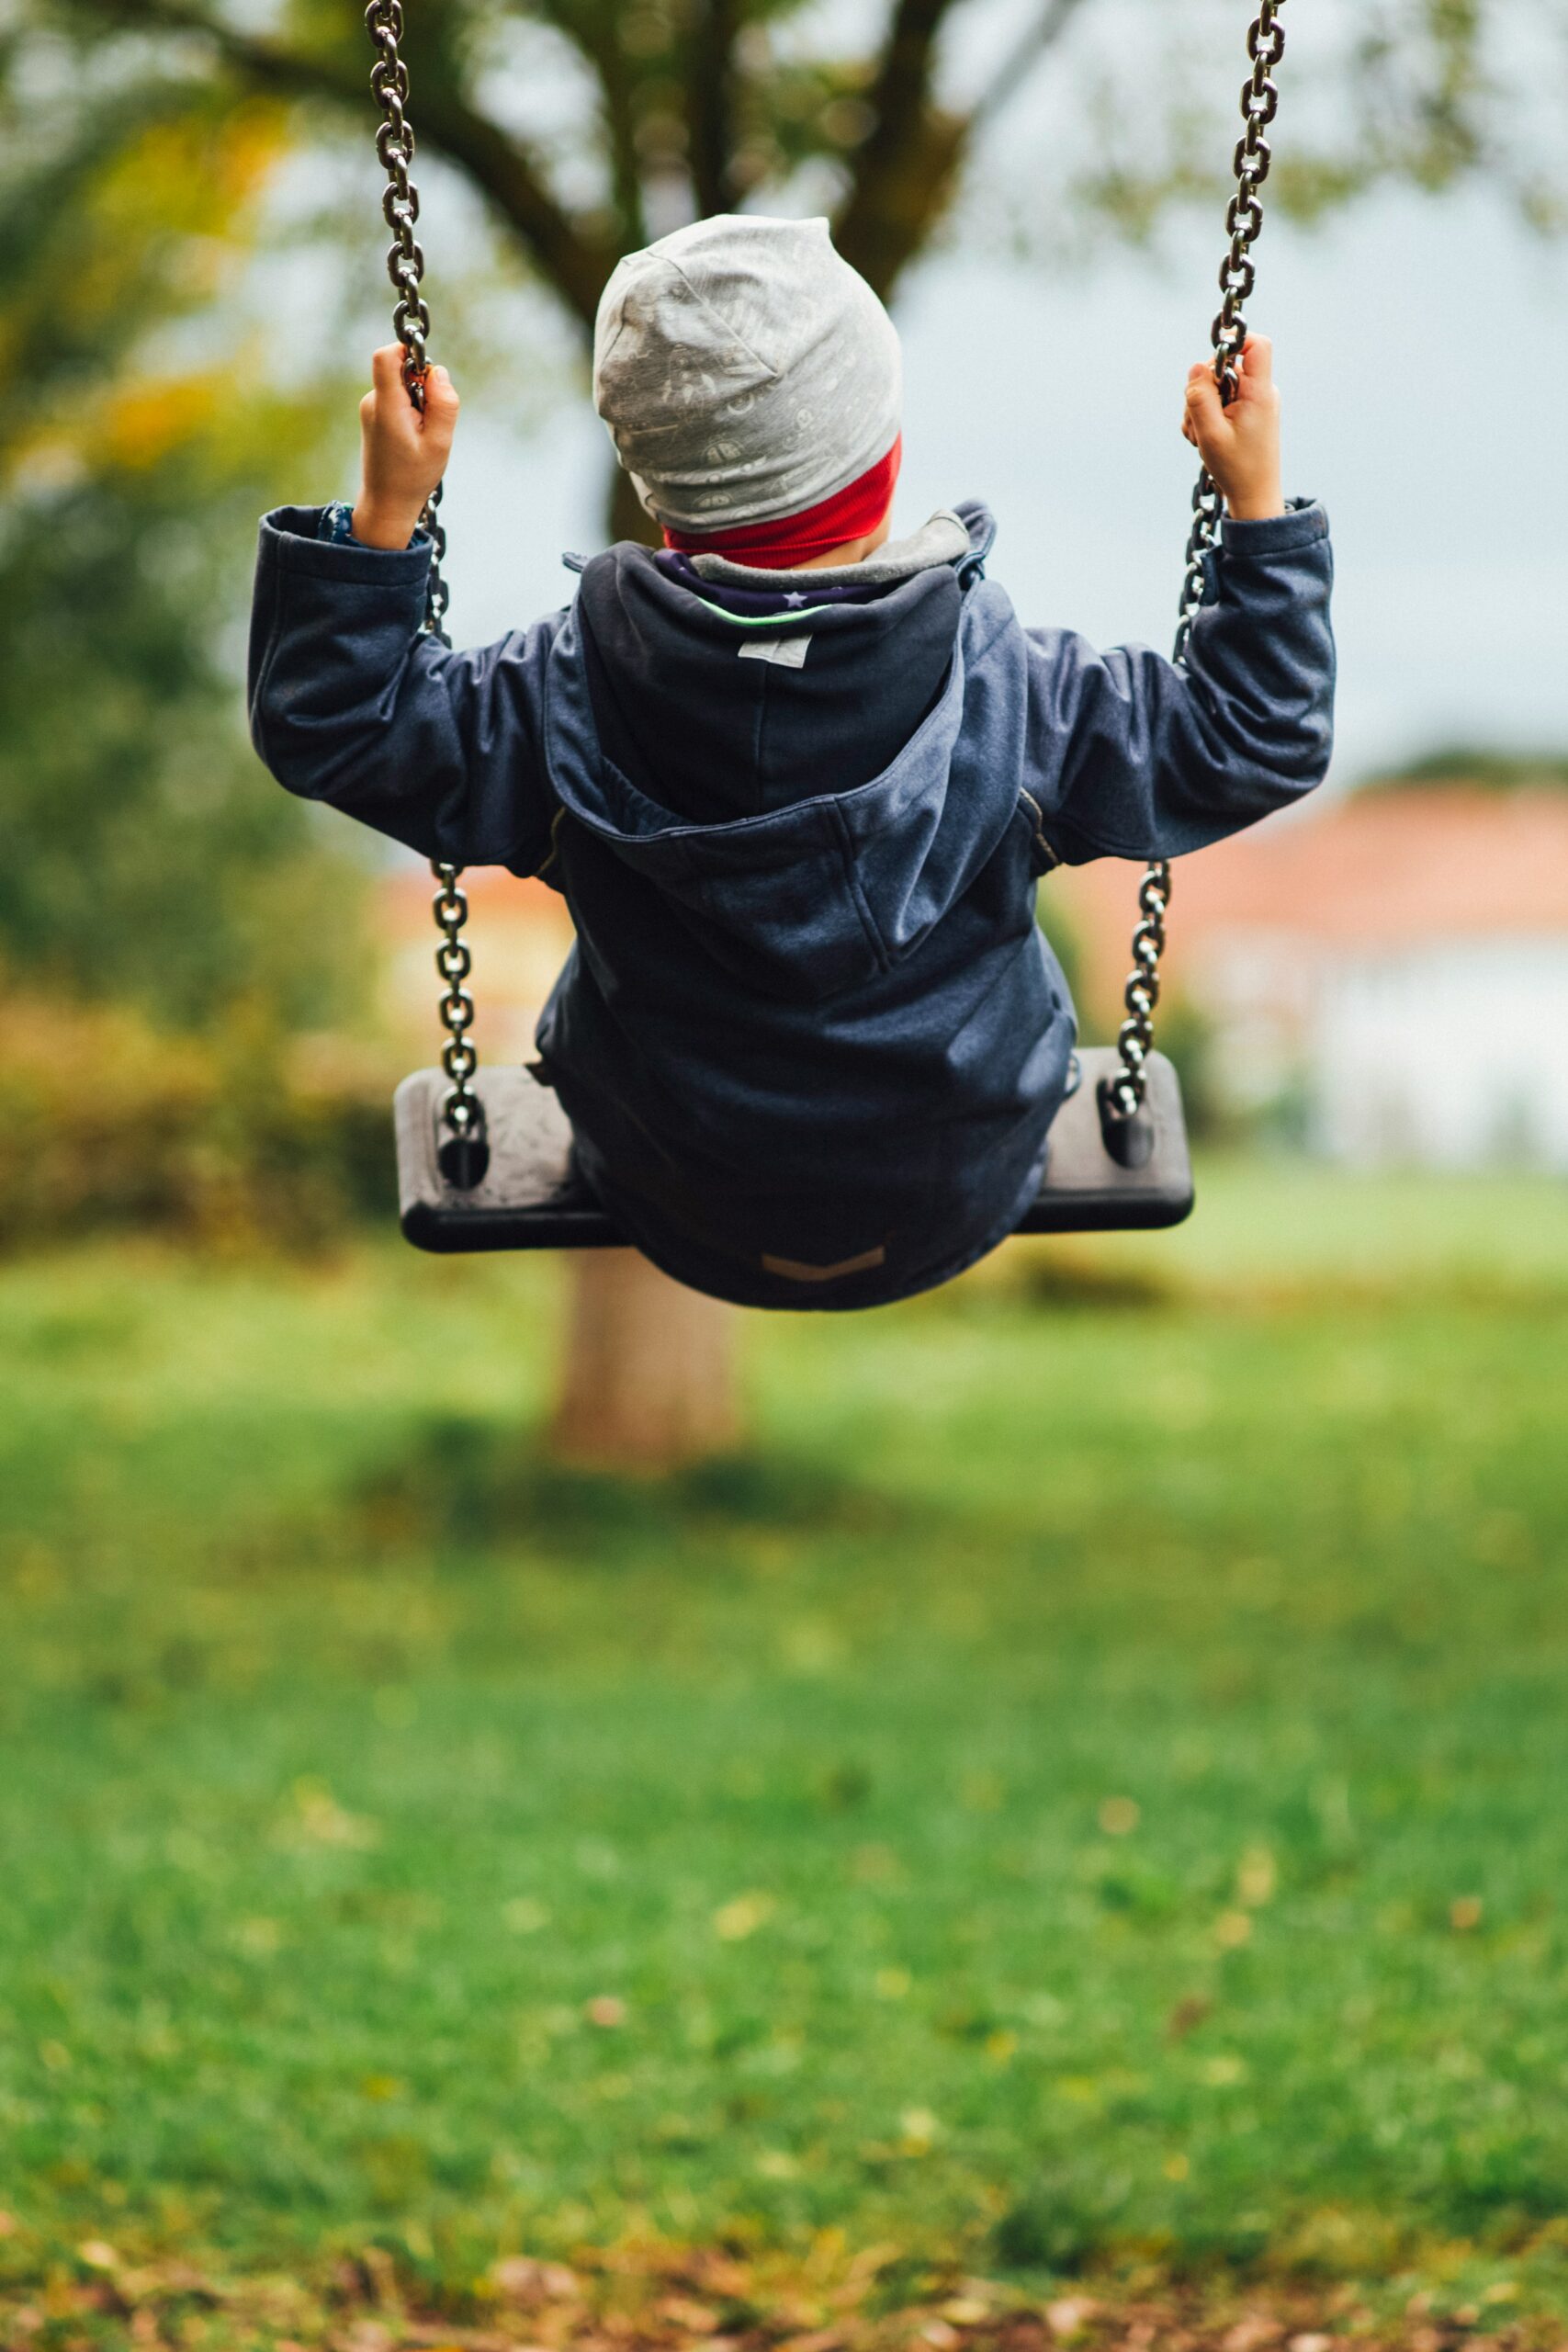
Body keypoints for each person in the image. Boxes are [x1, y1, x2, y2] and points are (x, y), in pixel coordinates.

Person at [249, 213, 1334, 1309]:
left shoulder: (557, 695)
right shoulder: (1022, 697)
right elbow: (1256, 732)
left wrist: (388, 514)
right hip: (953, 1180)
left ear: (654, 480)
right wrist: (1253, 508)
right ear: (885, 452)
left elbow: (339, 725)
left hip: (674, 1185)